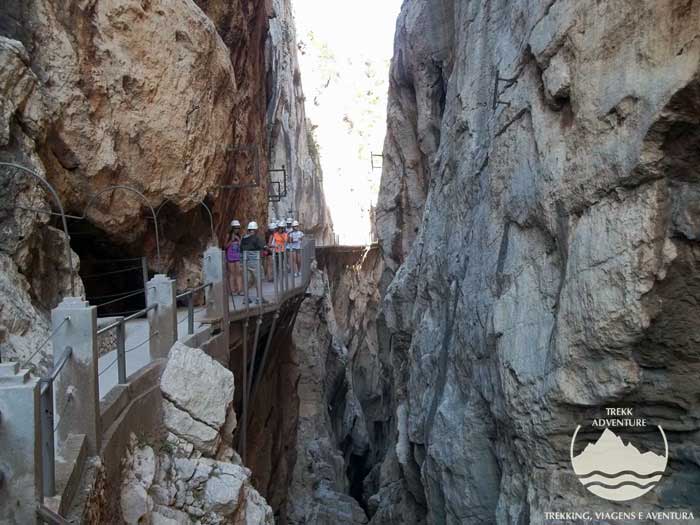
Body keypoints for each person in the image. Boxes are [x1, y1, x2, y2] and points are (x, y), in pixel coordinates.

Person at [225, 220, 242, 295]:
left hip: (237, 256)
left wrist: (239, 241)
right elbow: (225, 246)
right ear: (232, 228)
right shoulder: (228, 235)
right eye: (235, 228)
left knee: (238, 273)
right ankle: (232, 291)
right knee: (232, 273)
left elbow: (241, 246)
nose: (237, 229)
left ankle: (240, 290)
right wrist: (231, 241)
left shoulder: (239, 235)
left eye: (238, 228)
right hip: (230, 256)